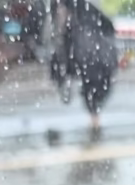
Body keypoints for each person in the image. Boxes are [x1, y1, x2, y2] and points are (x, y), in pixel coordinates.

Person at [44, 0, 117, 130]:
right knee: (93, 90)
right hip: (98, 60)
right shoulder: (84, 17)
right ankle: (94, 119)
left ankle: (94, 121)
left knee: (92, 90)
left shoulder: (81, 25)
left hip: (94, 61)